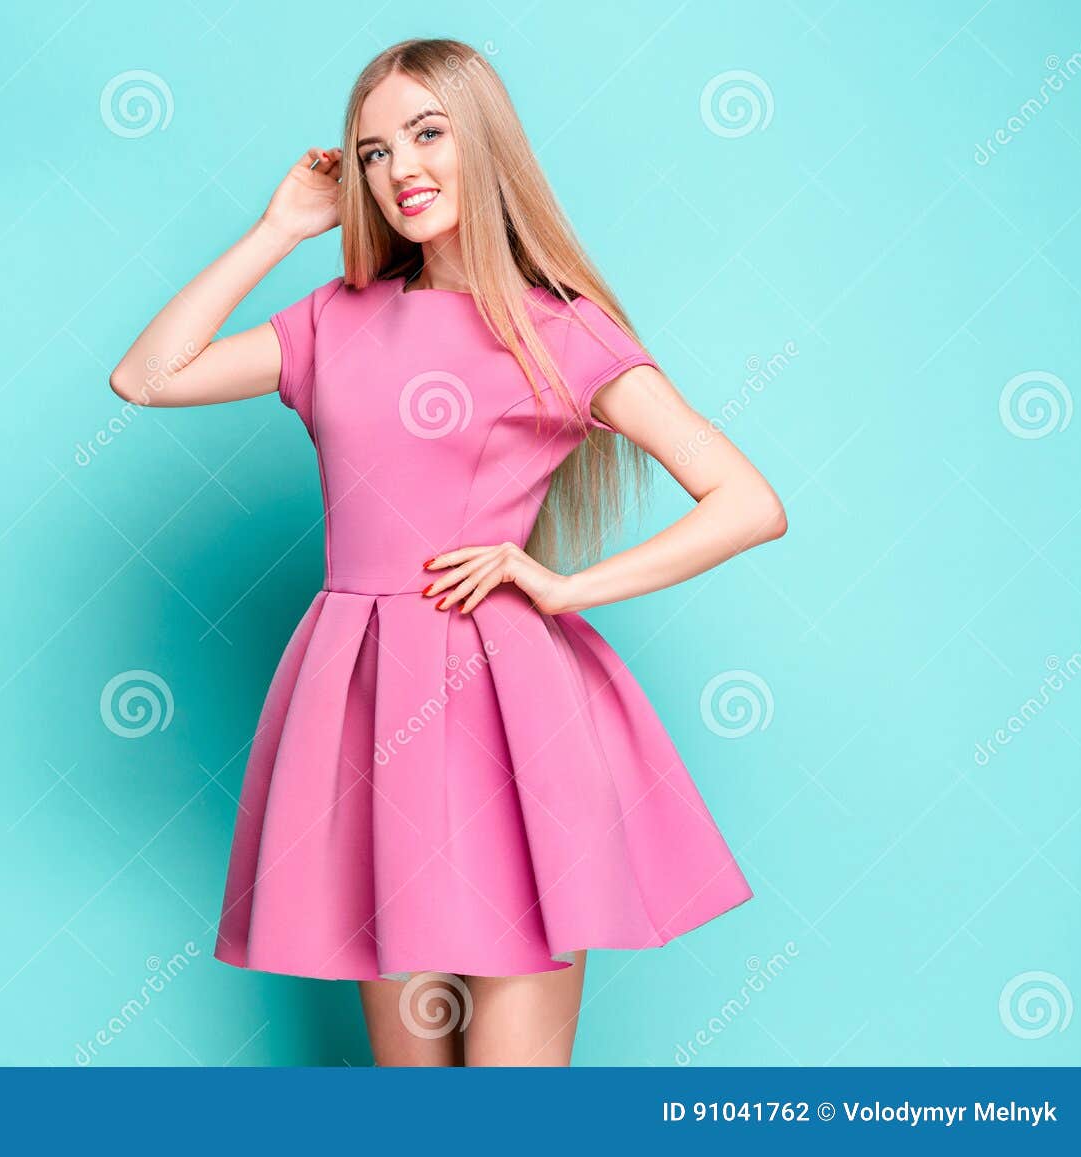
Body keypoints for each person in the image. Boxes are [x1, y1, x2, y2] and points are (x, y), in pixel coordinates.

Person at [109, 37, 787, 1067]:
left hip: (510, 711)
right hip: (363, 705)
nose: (401, 169)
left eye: (427, 133)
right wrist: (279, 228)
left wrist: (562, 585)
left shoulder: (561, 332)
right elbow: (149, 377)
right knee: (412, 1090)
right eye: (374, 151)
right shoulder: (333, 319)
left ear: (483, 142)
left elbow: (747, 500)